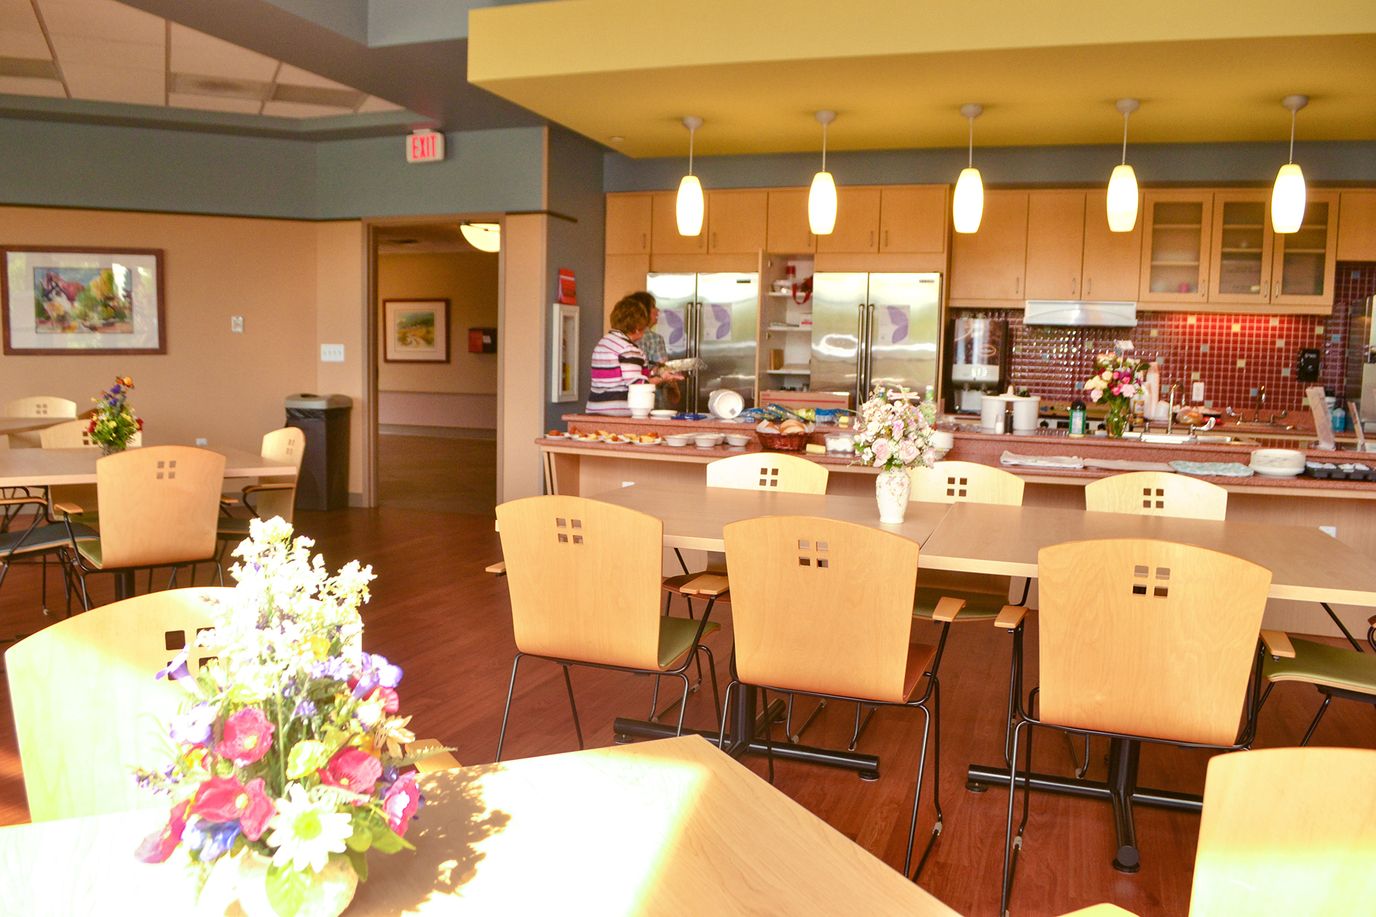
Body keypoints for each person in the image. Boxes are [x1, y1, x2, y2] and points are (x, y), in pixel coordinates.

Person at [586, 297, 681, 414]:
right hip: (617, 413)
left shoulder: (603, 343)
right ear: (637, 328)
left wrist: (653, 373)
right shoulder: (629, 349)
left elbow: (619, 375)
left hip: (595, 409)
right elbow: (638, 386)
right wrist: (662, 379)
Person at [626, 290, 681, 410]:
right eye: (653, 307)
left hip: (627, 402)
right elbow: (663, 370)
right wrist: (674, 389)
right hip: (651, 402)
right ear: (643, 312)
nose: (657, 310)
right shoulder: (655, 339)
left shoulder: (623, 336)